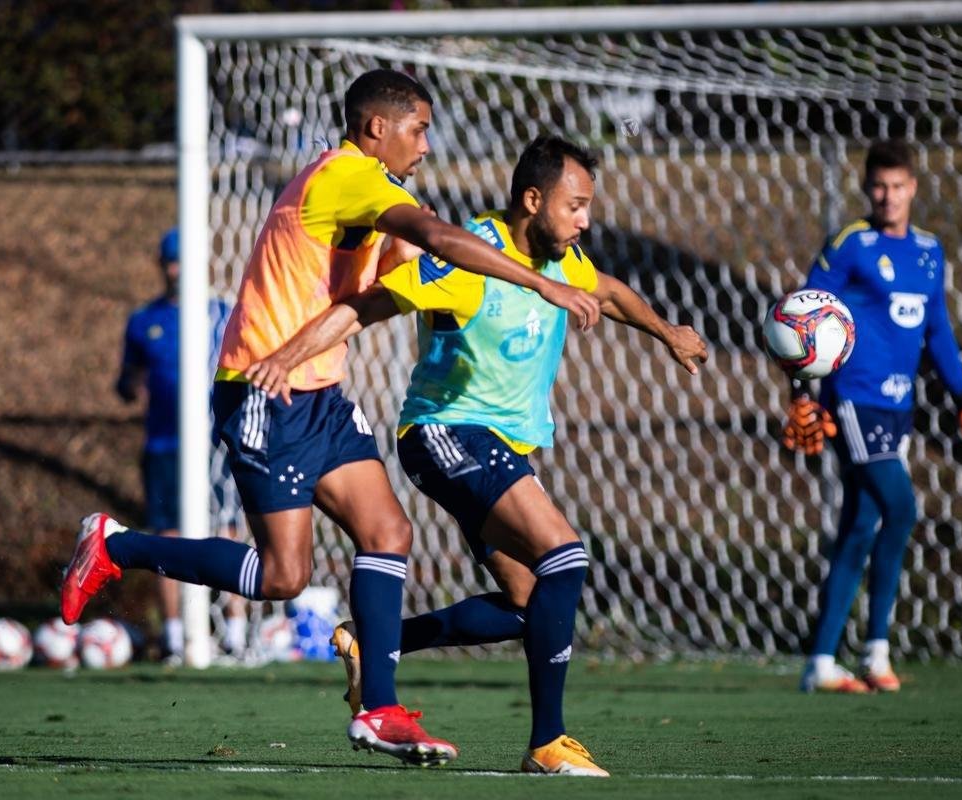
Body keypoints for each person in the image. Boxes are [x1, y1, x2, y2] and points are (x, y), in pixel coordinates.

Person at [61, 69, 602, 767]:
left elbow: (414, 259)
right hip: (265, 385)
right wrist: (537, 281)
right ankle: (115, 546)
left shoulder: (377, 191)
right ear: (377, 128)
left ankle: (378, 708)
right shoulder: (347, 176)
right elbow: (434, 238)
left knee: (387, 529)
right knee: (285, 576)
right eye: (419, 129)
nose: (427, 145)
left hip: (320, 393)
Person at [250, 135, 708, 776]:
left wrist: (667, 333)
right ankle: (548, 742)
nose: (585, 221)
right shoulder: (464, 259)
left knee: (533, 605)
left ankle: (378, 641)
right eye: (574, 206)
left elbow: (610, 291)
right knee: (566, 556)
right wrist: (285, 358)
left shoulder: (564, 260)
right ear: (532, 199)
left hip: (497, 447)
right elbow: (364, 306)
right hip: (445, 434)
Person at [783, 140, 962, 693]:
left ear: (913, 188)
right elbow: (802, 316)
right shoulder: (850, 245)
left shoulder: (928, 251)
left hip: (901, 406)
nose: (887, 196)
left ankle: (822, 663)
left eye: (897, 186)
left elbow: (937, 329)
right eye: (878, 186)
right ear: (866, 187)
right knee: (902, 509)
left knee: (859, 527)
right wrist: (802, 391)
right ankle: (876, 652)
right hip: (853, 399)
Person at [114, 228, 249, 662]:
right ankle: (174, 635)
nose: (175, 270)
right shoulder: (144, 321)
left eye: (182, 261)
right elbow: (126, 381)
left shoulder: (223, 314)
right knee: (168, 532)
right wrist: (132, 387)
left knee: (227, 527)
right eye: (169, 262)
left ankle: (236, 632)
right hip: (166, 445)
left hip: (217, 442)